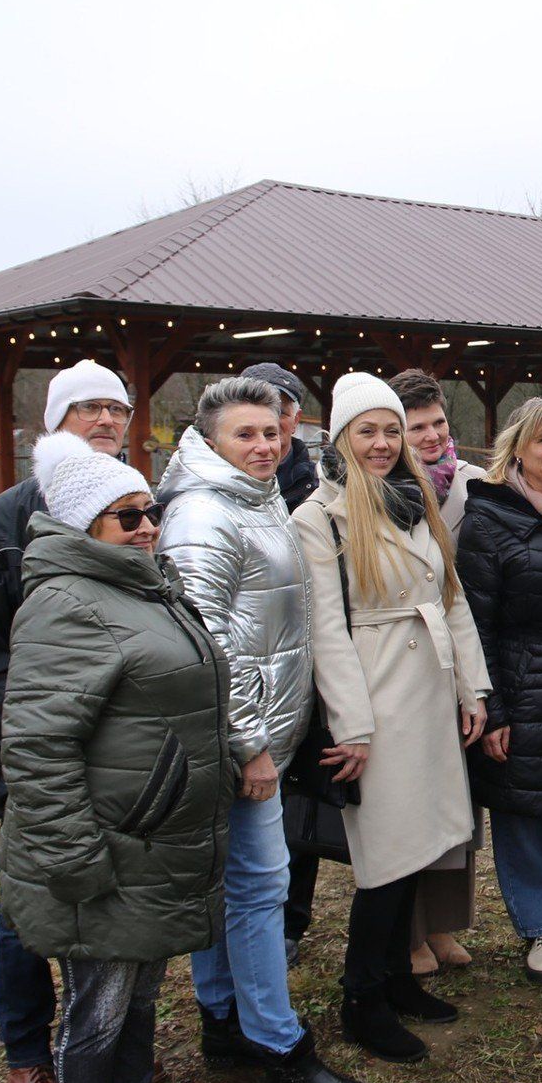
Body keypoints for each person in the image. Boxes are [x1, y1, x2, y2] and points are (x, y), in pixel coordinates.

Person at [0, 430, 235, 1083]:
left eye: (151, 510)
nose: (148, 526)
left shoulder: (145, 586)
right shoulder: (67, 603)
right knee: (96, 1016)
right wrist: (75, 859)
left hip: (154, 845)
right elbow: (38, 744)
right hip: (107, 853)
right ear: (82, 526)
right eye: (126, 516)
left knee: (137, 1006)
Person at [157, 377, 375, 1083]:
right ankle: (282, 1049)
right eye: (245, 435)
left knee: (233, 892)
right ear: (209, 439)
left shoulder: (256, 499)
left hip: (261, 743)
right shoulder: (202, 516)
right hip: (236, 749)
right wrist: (249, 745)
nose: (264, 446)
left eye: (271, 434)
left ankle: (225, 1022)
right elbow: (207, 642)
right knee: (259, 893)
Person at [0, 358, 130, 1083]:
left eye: (115, 410)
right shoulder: (13, 515)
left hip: (125, 756)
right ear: (55, 423)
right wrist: (28, 742)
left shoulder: (137, 506)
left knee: (117, 906)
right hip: (37, 757)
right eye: (85, 408)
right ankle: (27, 1055)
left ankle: (100, 1050)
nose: (103, 421)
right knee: (29, 909)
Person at [292, 372, 492, 1064]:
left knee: (421, 844)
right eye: (366, 431)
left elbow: (452, 598)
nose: (381, 444)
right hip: (376, 697)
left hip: (430, 689)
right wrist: (351, 725)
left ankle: (398, 979)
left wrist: (474, 689)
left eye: (389, 430)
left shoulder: (417, 502)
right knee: (382, 855)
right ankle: (361, 998)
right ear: (342, 438)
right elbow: (325, 631)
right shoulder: (318, 517)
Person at [454, 398, 542, 984]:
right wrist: (495, 708)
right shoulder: (489, 518)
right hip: (520, 679)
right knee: (522, 809)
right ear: (517, 448)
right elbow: (476, 619)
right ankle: (537, 922)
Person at [386, 368, 486, 976]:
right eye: (415, 426)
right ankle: (411, 929)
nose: (429, 436)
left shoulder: (472, 484)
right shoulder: (386, 488)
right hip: (407, 656)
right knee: (410, 797)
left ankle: (446, 922)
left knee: (459, 795)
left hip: (463, 649)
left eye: (438, 423)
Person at [237, 362, 324, 970]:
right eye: (262, 416)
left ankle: (293, 919)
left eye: (285, 410)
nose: (276, 427)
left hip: (303, 669)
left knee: (301, 807)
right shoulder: (220, 497)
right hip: (247, 681)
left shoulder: (314, 486)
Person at [239, 363, 320, 511]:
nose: (269, 421)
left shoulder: (320, 487)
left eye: (279, 412)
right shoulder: (212, 487)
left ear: (296, 419)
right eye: (258, 411)